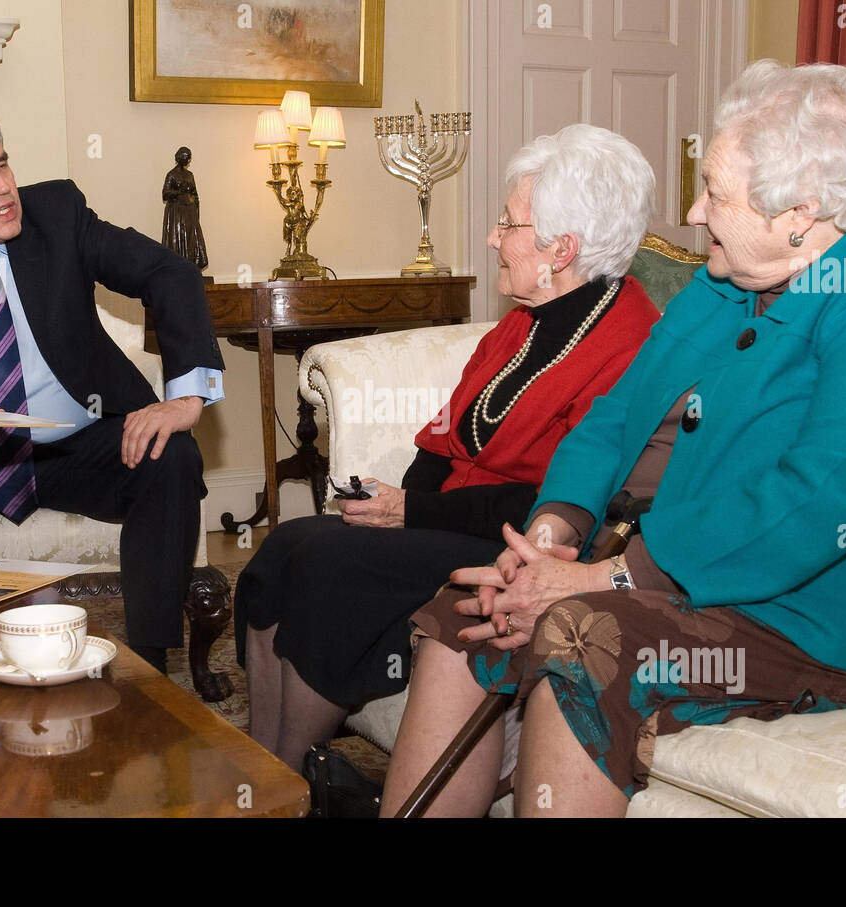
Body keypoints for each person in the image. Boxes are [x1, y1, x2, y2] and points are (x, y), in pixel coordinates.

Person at [381, 60, 846, 818]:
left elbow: (805, 508)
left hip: (845, 623)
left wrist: (598, 580)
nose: (693, 209)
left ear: (800, 214)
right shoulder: (724, 286)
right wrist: (553, 535)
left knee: (588, 638)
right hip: (717, 591)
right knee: (472, 605)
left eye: (714, 188)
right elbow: (610, 419)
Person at [235, 124, 662, 775]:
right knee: (287, 543)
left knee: (330, 563)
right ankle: (263, 763)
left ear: (562, 248)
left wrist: (412, 515)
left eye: (508, 223)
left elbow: (557, 494)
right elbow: (444, 436)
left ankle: (287, 774)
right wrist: (396, 507)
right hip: (448, 520)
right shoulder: (523, 320)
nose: (493, 237)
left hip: (527, 539)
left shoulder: (630, 341)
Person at [0, 93, 224, 674]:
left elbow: (167, 272)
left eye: (3, 163)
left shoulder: (57, 213)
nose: (3, 186)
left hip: (81, 444)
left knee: (169, 453)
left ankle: (151, 666)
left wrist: (186, 397)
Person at [161, 146, 208, 271]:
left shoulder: (190, 175)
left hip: (189, 212)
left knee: (191, 240)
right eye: (187, 157)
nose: (188, 160)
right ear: (180, 157)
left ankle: (191, 268)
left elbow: (195, 194)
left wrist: (196, 213)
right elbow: (165, 194)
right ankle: (179, 268)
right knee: (178, 239)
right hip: (176, 213)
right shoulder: (171, 174)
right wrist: (178, 192)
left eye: (190, 157)